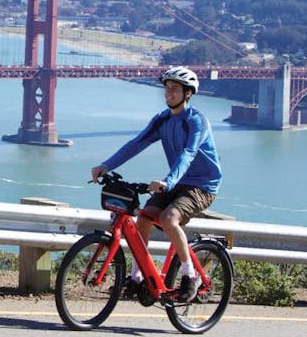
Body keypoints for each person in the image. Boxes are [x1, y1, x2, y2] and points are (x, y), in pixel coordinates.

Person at [89, 65, 222, 303]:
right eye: (167, 88)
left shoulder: (196, 121)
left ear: (188, 93)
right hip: (176, 182)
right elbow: (135, 144)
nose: (169, 92)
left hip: (202, 184)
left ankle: (189, 276)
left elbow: (188, 154)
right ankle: (137, 278)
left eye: (175, 89)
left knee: (169, 218)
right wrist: (106, 165)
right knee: (143, 217)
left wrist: (168, 181)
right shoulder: (162, 120)